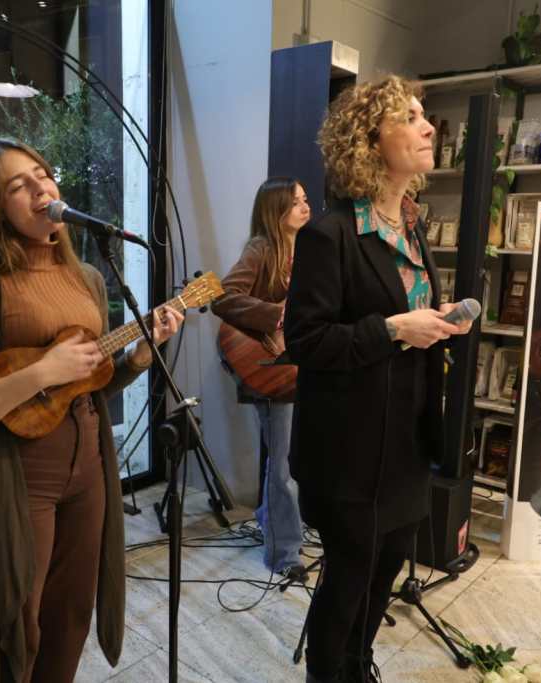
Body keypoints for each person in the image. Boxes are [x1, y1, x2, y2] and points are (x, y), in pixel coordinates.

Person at [0, 138, 183, 683]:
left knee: (69, 618)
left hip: (87, 469)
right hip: (16, 478)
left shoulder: (86, 278)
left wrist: (136, 358)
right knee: (13, 627)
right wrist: (41, 371)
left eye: (44, 175)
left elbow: (81, 388)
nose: (42, 188)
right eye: (20, 185)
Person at [283, 76, 473, 683]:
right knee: (348, 577)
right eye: (410, 118)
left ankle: (357, 665)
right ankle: (328, 674)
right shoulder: (329, 233)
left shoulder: (413, 227)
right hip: (350, 449)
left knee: (389, 563)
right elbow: (305, 342)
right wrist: (393, 328)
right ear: (370, 141)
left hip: (408, 440)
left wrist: (441, 323)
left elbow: (405, 317)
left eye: (425, 117)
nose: (427, 128)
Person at [212, 177, 311, 580]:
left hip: (297, 365)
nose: (306, 207)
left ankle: (276, 522)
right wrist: (276, 316)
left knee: (289, 459)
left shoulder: (307, 250)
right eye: (297, 202)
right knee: (282, 462)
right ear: (277, 211)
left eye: (306, 200)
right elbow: (223, 296)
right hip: (267, 364)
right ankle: (284, 553)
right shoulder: (262, 249)